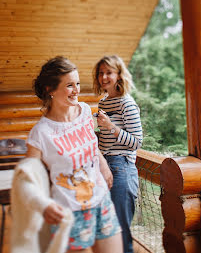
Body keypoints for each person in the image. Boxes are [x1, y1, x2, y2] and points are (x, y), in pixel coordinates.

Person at [25, 56, 123, 253]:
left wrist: (103, 166)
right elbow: (28, 180)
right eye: (70, 85)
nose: (77, 90)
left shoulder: (85, 111)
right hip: (69, 213)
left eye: (77, 83)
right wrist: (42, 205)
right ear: (50, 90)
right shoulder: (41, 133)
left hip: (101, 200)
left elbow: (92, 147)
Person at [93, 55, 143, 253]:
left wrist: (110, 126)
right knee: (109, 229)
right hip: (104, 167)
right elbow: (107, 137)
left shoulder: (126, 104)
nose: (104, 77)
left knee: (121, 230)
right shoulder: (104, 102)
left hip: (122, 168)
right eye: (101, 73)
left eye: (109, 72)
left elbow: (136, 142)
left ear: (119, 75)